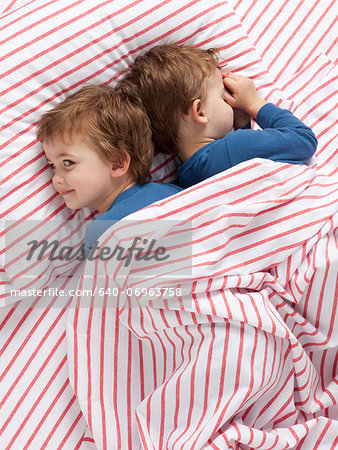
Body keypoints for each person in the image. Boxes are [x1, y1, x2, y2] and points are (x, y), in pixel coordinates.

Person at [117, 44, 317, 188]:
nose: (229, 102)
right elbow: (303, 140)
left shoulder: (185, 180)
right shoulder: (235, 147)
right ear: (200, 112)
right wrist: (254, 103)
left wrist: (242, 124)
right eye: (222, 96)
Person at [36, 84, 182, 255]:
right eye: (53, 166)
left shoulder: (103, 231)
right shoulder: (174, 190)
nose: (56, 179)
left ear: (117, 163)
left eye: (68, 163)